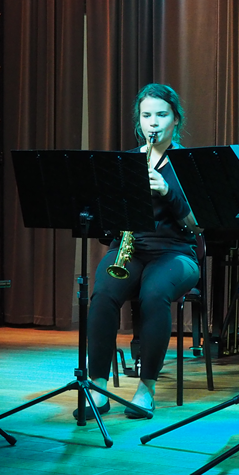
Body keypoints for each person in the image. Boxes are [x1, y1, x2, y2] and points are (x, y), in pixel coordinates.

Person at [83, 84, 200, 419]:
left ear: (176, 120)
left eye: (161, 115)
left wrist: (166, 191)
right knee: (103, 293)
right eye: (147, 115)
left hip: (176, 252)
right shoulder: (126, 161)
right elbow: (104, 217)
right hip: (131, 248)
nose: (154, 122)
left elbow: (197, 226)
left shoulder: (187, 164)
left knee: (154, 294)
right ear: (139, 121)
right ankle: (98, 387)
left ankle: (146, 388)